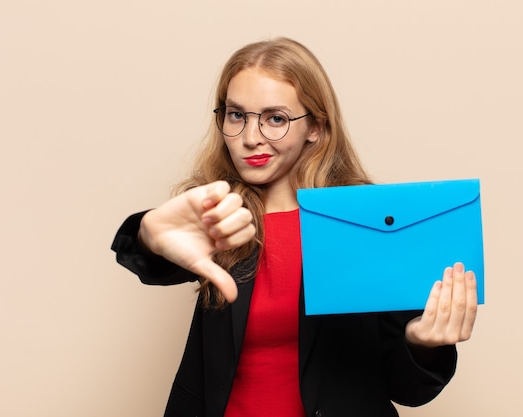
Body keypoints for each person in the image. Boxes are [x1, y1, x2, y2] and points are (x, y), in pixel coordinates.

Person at [111, 37, 478, 417]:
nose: (251, 138)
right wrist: (148, 235)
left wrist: (420, 344)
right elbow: (156, 257)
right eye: (237, 115)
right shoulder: (220, 213)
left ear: (316, 127)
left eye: (275, 119)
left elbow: (407, 390)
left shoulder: (363, 221)